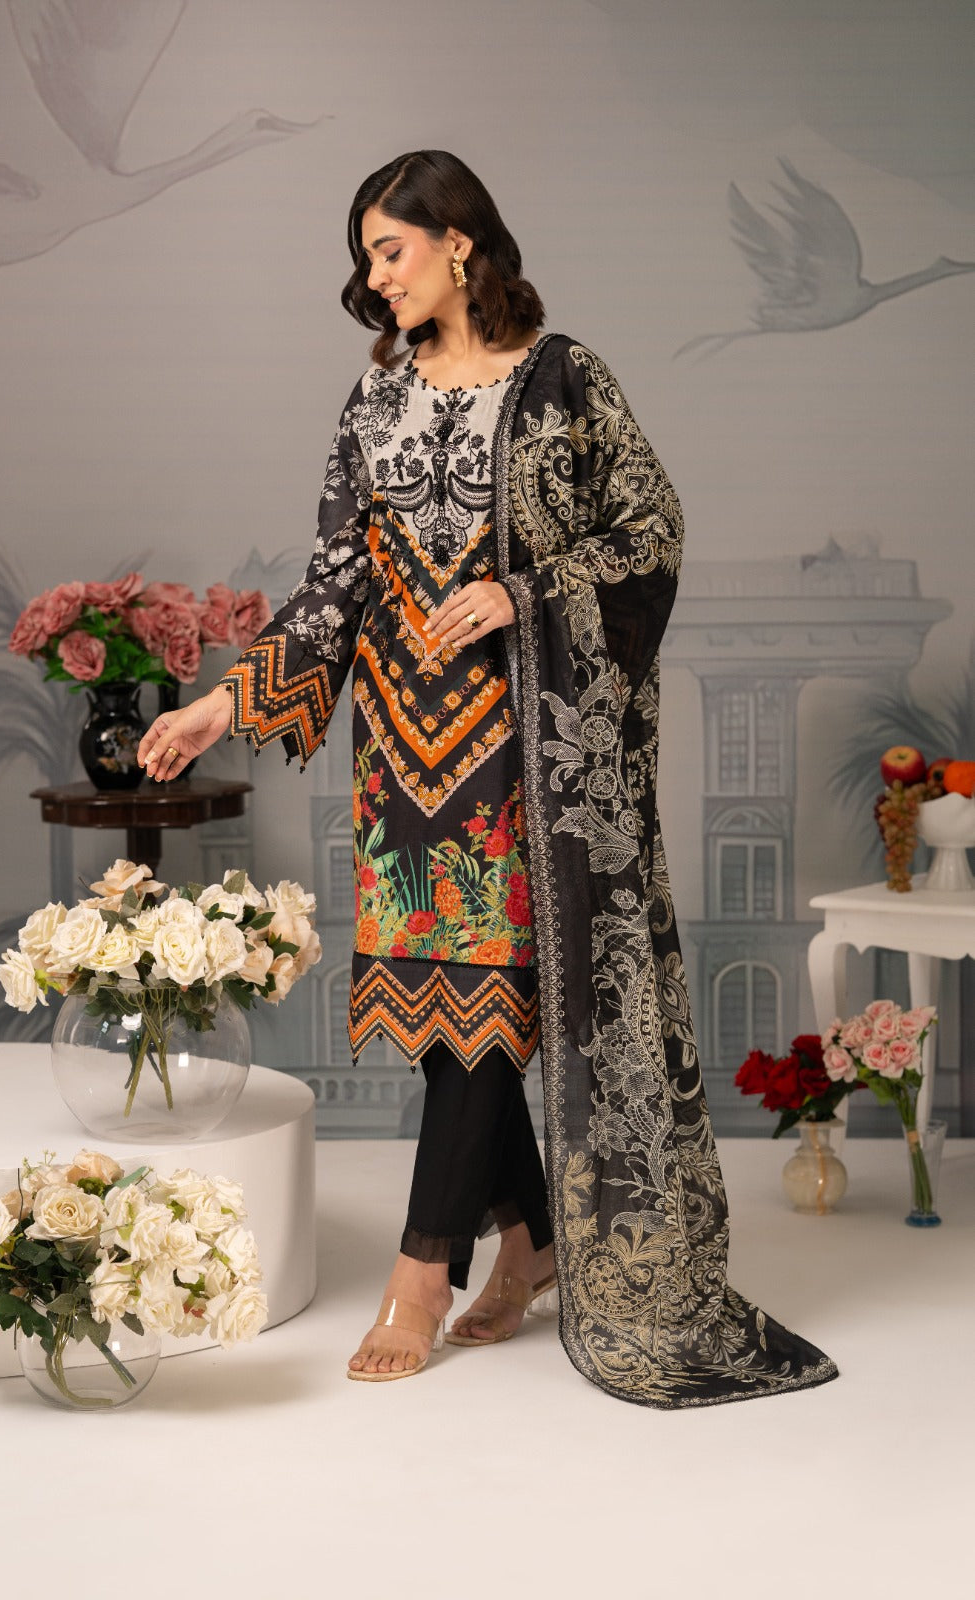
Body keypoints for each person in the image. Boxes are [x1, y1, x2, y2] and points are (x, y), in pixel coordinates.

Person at [138, 150, 840, 1408]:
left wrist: (520, 591)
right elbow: (333, 587)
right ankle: (532, 1238)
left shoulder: (566, 380)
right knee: (444, 1013)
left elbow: (650, 534)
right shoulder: (373, 400)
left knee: (483, 1004)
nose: (372, 277)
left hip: (532, 755)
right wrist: (217, 706)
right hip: (403, 760)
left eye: (388, 250)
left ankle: (422, 1269)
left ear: (458, 241)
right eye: (364, 258)